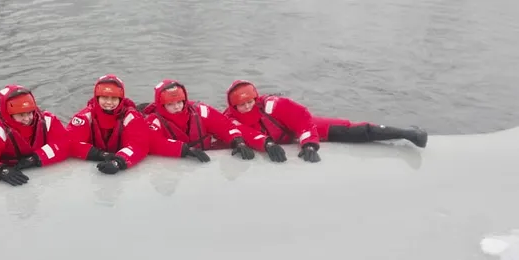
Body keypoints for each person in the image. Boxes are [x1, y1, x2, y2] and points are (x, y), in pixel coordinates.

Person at [223, 80, 428, 163]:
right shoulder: (228, 120)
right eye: (242, 105)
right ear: (233, 107)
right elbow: (241, 134)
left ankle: (408, 133)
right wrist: (266, 144)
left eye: (250, 101)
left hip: (300, 131)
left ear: (255, 98)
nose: (248, 106)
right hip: (278, 140)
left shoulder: (272, 105)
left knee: (353, 130)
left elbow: (302, 120)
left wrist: (309, 144)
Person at [0, 84, 70, 185]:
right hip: (7, 178)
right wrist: (1, 171)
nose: (27, 119)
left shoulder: (47, 120)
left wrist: (36, 158)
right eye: (21, 115)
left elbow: (65, 143)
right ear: (8, 114)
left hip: (37, 174)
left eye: (29, 112)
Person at [140, 79, 258, 163]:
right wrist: (184, 149)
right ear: (161, 105)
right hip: (178, 166)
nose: (177, 107)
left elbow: (224, 125)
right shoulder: (153, 120)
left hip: (204, 159)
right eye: (170, 104)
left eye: (180, 102)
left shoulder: (199, 110)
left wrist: (237, 141)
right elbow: (153, 143)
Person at [66, 74, 150, 175]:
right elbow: (70, 142)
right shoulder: (85, 116)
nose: (109, 102)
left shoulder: (131, 117)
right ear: (97, 98)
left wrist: (118, 162)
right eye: (105, 97)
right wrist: (101, 155)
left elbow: (139, 145)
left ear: (120, 99)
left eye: (114, 98)